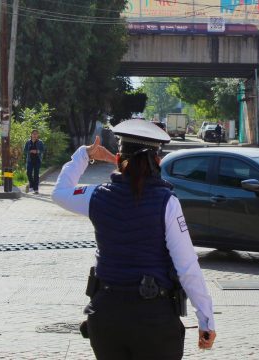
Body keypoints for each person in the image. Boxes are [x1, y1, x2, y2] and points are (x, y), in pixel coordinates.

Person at [52, 120, 216, 360]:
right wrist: (206, 320)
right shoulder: (166, 203)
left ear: (118, 158)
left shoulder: (97, 195)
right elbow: (187, 267)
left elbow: (60, 192)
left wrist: (85, 155)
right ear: (157, 161)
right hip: (153, 320)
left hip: (106, 317)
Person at [24, 129, 44, 194]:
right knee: (28, 173)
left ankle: (36, 189)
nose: (35, 135)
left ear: (38, 135)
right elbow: (25, 150)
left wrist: (37, 151)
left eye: (36, 134)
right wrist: (30, 151)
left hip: (37, 160)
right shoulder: (28, 142)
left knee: (36, 175)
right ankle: (32, 184)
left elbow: (43, 150)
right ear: (31, 135)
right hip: (30, 160)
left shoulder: (40, 142)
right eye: (33, 134)